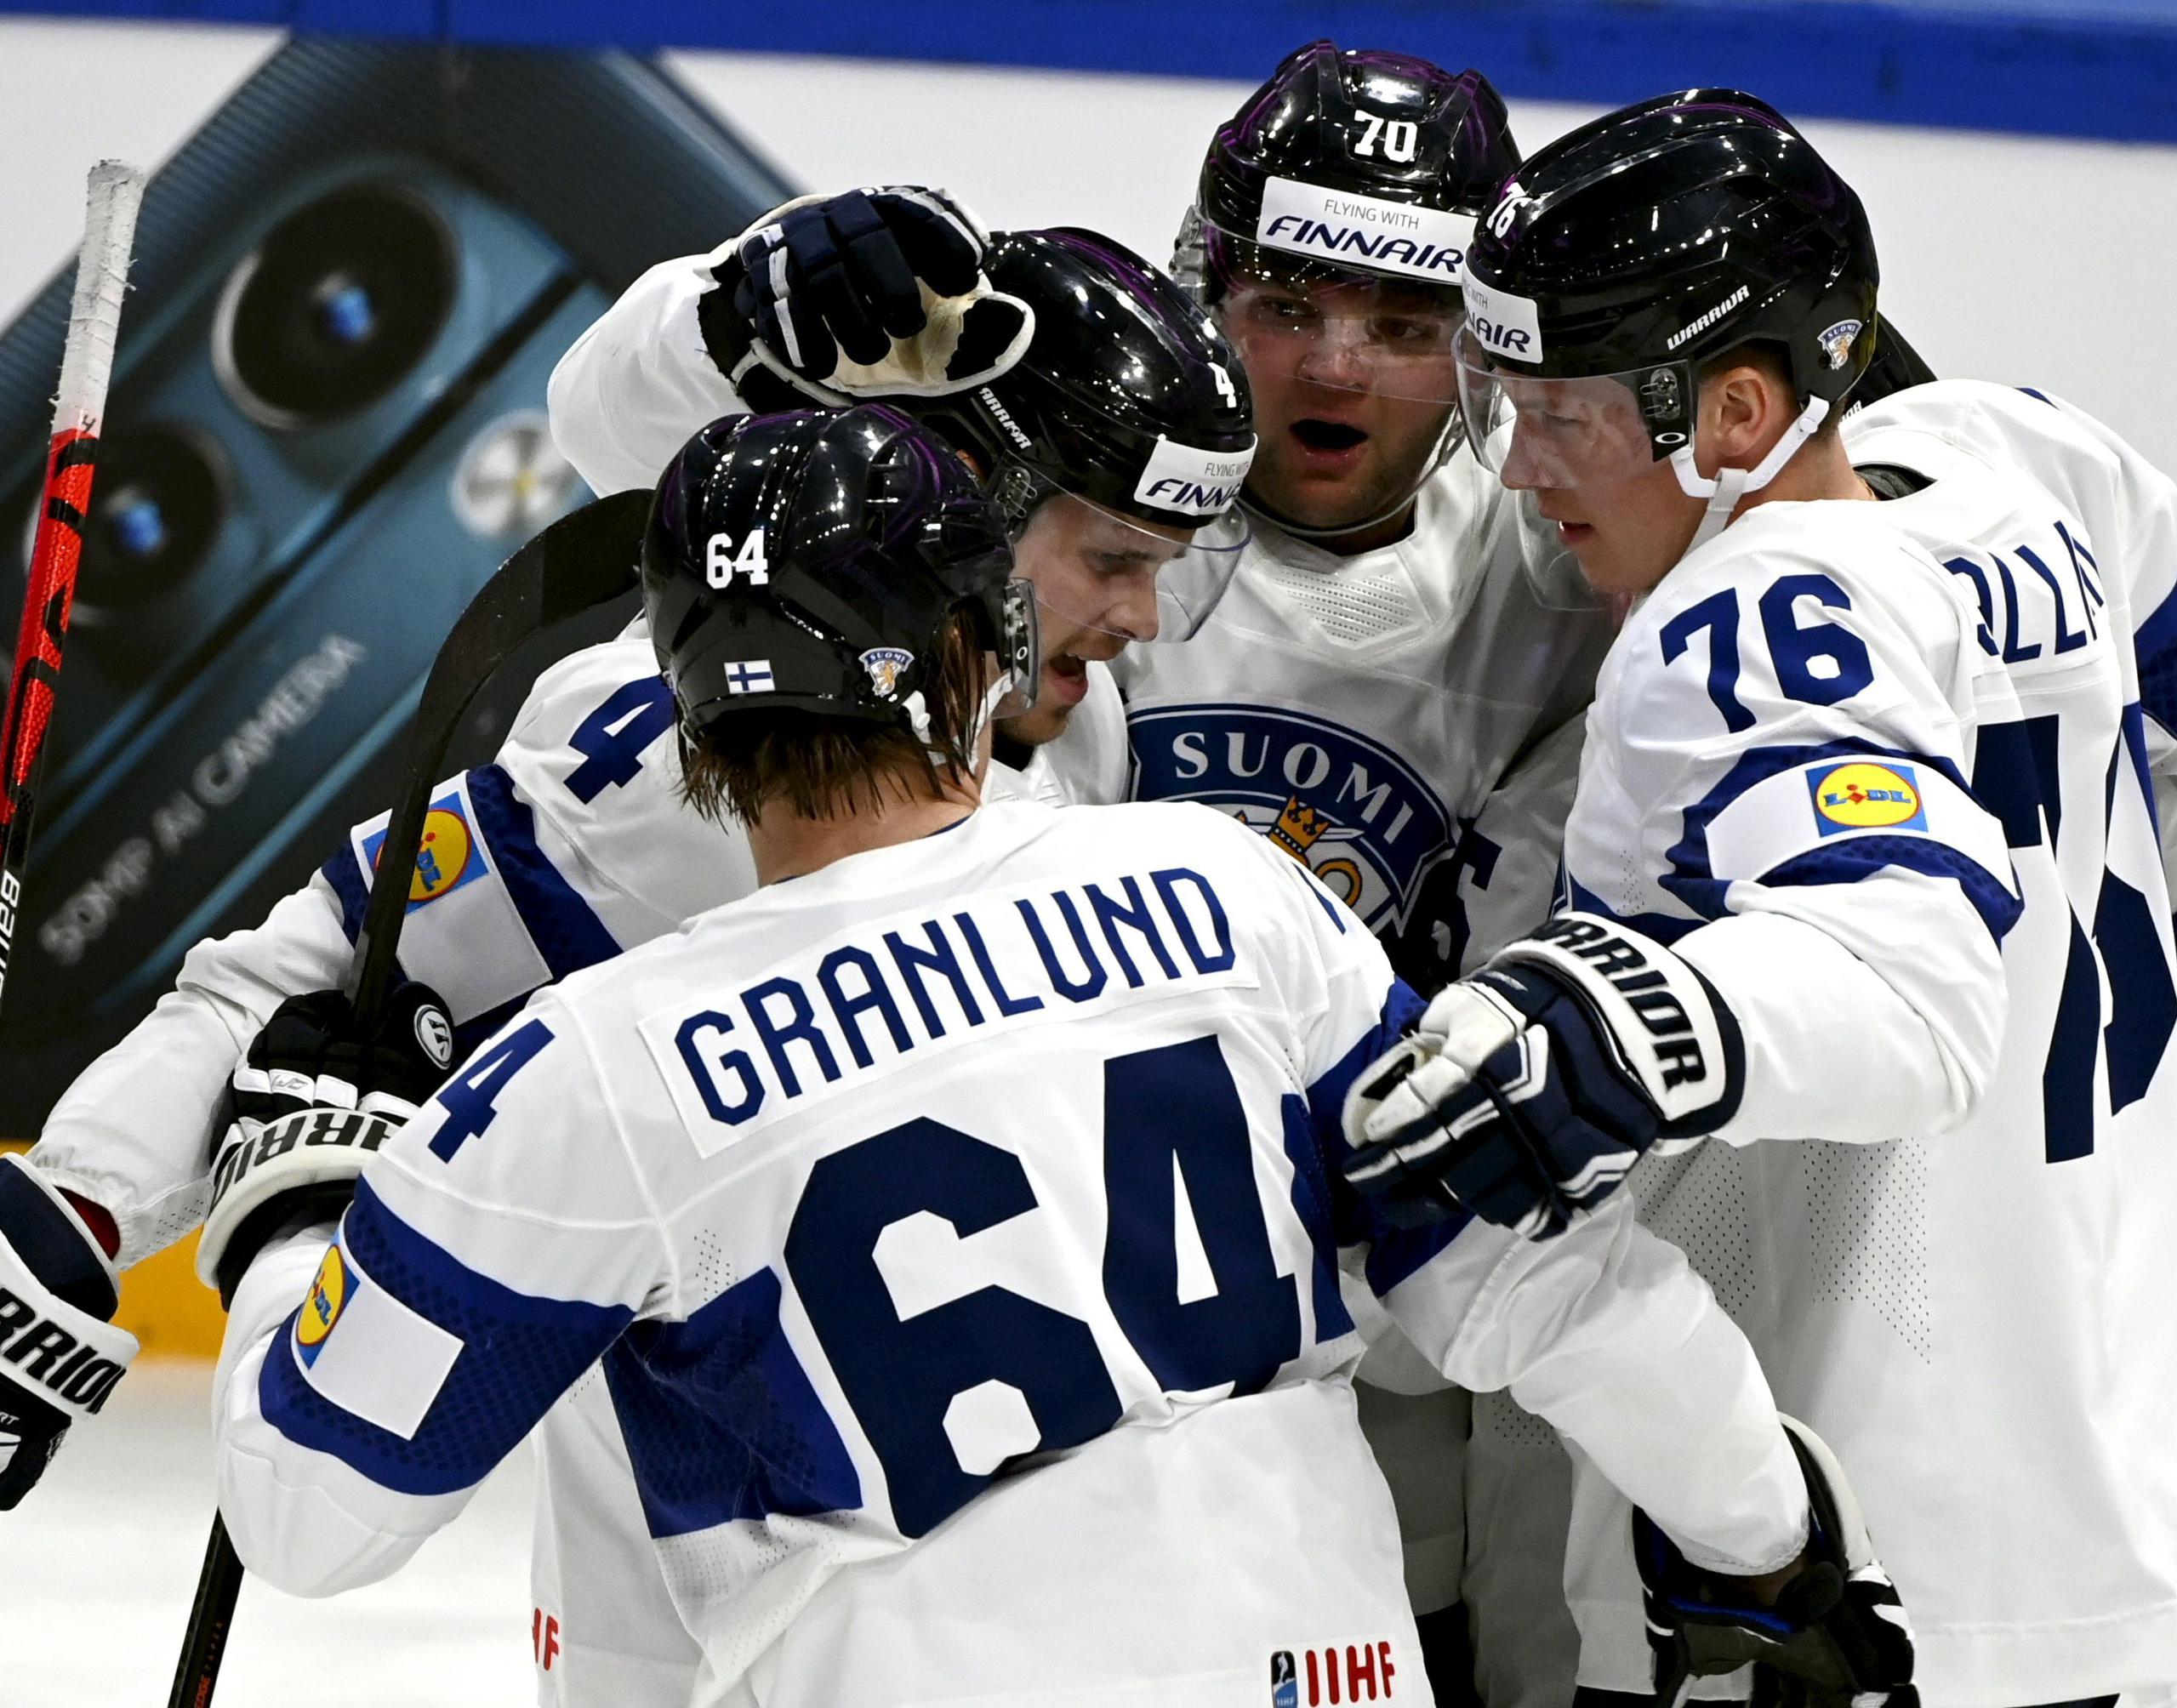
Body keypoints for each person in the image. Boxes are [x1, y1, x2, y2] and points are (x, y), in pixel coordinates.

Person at [202, 403, 1903, 1708]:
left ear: (690, 695)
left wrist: (296, 1190)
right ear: (976, 645)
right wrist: (1774, 1538)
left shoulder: (600, 1070)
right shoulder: (1224, 891)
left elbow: (311, 1511)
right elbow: (1537, 1281)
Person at [0, 229, 1257, 1705]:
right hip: (717, 1565)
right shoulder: (702, 766)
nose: (1139, 617)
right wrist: (61, 1215)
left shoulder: (1070, 726)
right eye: (1113, 558)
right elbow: (319, 968)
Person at [1342, 89, 2177, 1708]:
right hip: (2137, 1530)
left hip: (1841, 1577)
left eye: (1560, 413)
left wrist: (1641, 1027)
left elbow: (1911, 990)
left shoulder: (1725, 633)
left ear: (1738, 408)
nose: (1518, 467)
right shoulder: (2026, 471)